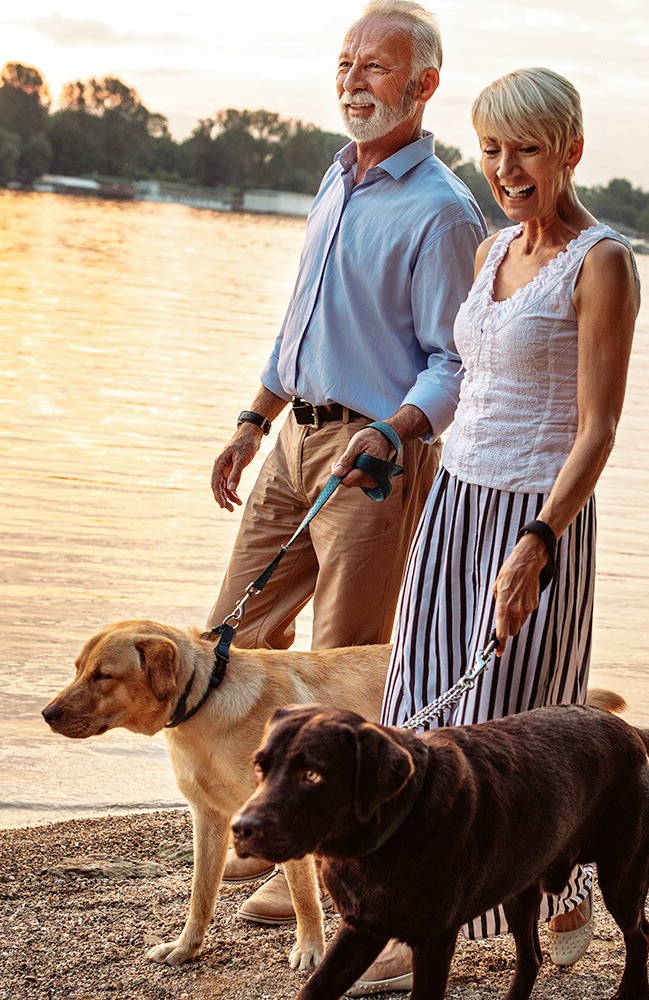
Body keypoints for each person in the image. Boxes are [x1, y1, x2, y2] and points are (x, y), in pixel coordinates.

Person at [344, 66, 643, 996]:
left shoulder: (602, 261)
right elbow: (473, 388)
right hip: (454, 501)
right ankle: (411, 901)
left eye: (526, 149)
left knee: (517, 724)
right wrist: (397, 432)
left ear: (570, 151)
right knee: (421, 703)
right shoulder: (490, 252)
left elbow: (597, 429)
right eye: (491, 148)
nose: (506, 167)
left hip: (535, 515)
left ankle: (569, 883)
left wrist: (540, 540)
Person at [206, 0, 487, 926]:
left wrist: (397, 432)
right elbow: (299, 326)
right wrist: (255, 419)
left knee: (343, 672)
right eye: (345, 62)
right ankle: (263, 827)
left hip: (374, 455)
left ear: (423, 85)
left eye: (375, 66)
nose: (353, 80)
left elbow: (457, 358)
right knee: (234, 646)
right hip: (293, 440)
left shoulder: (443, 210)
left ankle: (334, 875)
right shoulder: (337, 179)